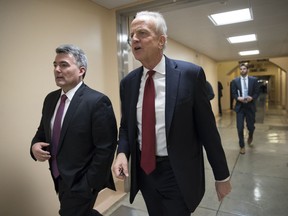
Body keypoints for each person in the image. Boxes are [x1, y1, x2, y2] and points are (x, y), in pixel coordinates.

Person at [113, 11, 231, 216]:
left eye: (141, 33)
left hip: (177, 173)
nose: (134, 39)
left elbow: (208, 130)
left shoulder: (190, 75)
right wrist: (122, 152)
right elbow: (126, 126)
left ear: (161, 41)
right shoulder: (128, 83)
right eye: (131, 35)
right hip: (145, 172)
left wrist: (222, 176)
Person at [30, 44, 117, 216]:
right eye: (55, 65)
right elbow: (42, 132)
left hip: (82, 181)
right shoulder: (50, 99)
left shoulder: (97, 101)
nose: (57, 70)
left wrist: (89, 183)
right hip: (58, 177)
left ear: (81, 70)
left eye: (64, 65)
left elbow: (106, 148)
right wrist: (34, 147)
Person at [231, 63, 260, 154]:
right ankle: (242, 146)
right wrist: (237, 98)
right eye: (241, 69)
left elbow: (257, 92)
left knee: (250, 127)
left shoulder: (254, 80)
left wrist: (252, 98)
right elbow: (233, 93)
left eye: (244, 69)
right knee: (240, 127)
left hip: (250, 106)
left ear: (247, 70)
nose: (242, 70)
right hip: (240, 107)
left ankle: (250, 135)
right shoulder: (235, 81)